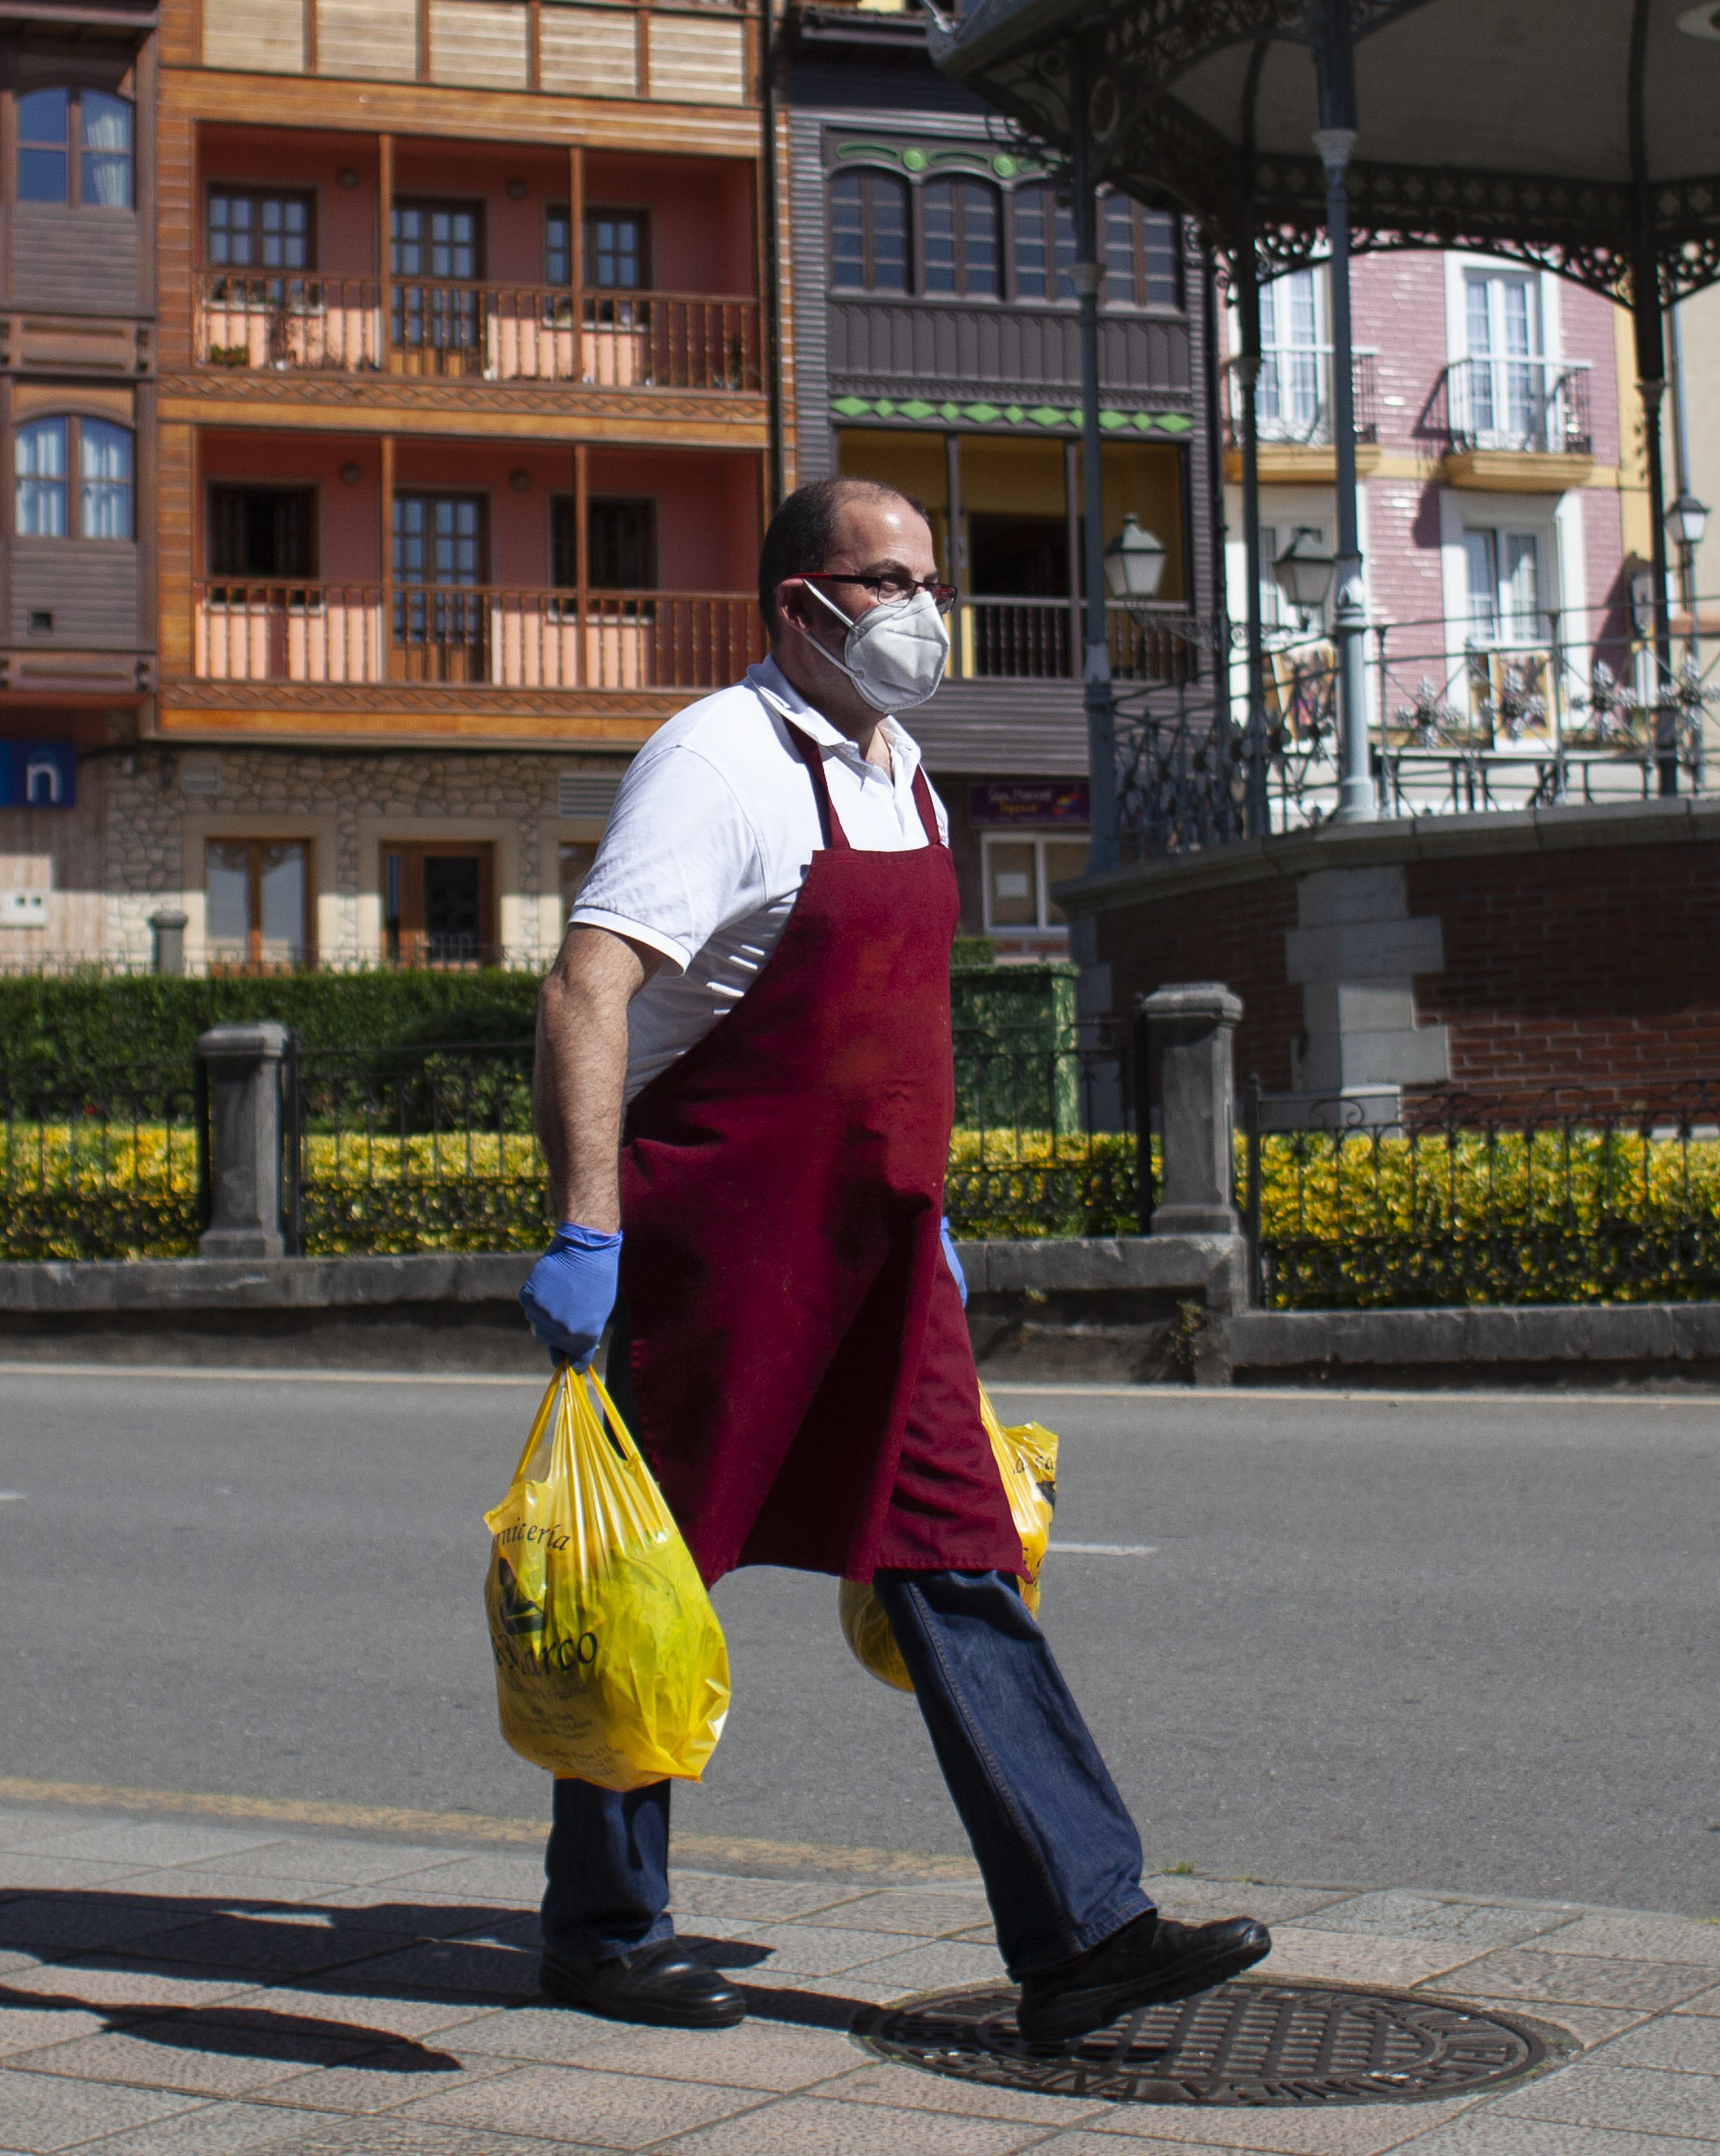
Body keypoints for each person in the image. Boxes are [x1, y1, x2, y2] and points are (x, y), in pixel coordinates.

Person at [518, 477, 1266, 2041]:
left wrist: (936, 1223)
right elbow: (586, 990)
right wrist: (589, 1226)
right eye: (892, 580)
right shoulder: (717, 762)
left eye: (934, 577)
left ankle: (1083, 1932)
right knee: (658, 1579)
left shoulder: (902, 766)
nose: (927, 610)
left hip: (886, 1260)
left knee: (958, 1555)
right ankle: (602, 1925)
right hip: (717, 1252)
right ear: (802, 604)